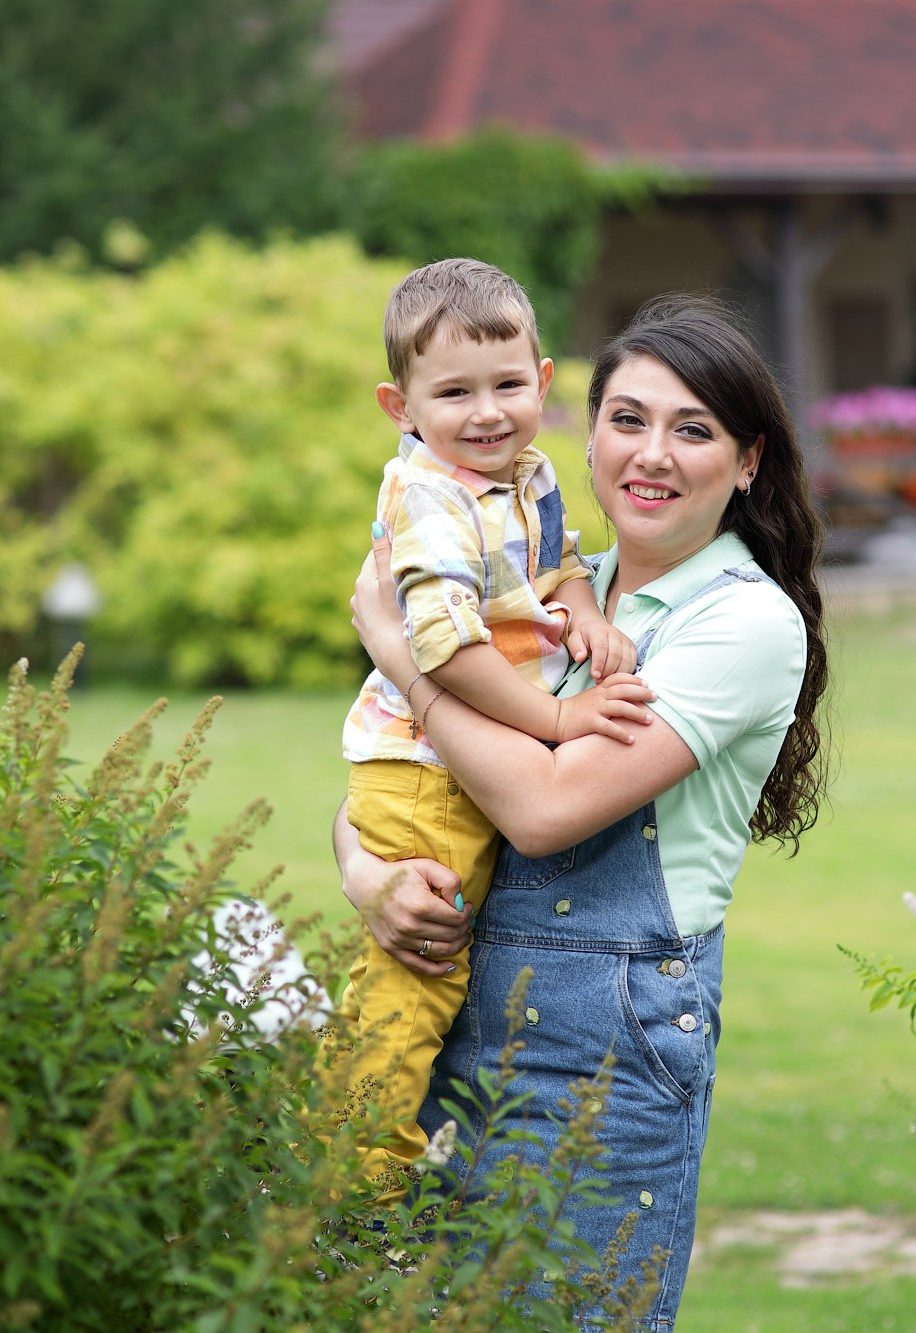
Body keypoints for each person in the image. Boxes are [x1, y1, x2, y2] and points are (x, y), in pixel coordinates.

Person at [338, 295, 830, 1327]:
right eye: (628, 419)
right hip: (452, 1015)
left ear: (747, 462)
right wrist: (369, 877)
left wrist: (404, 657)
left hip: (600, 1051)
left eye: (692, 429)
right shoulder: (544, 586)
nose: (651, 454)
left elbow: (542, 810)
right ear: (585, 427)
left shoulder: (741, 621)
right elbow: (397, 778)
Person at [330, 258, 641, 1185]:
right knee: (415, 971)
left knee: (439, 967)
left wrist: (583, 606)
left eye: (508, 385)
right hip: (426, 764)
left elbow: (555, 561)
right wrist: (558, 717)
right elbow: (443, 648)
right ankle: (356, 1164)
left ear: (543, 383)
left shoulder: (523, 472)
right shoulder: (432, 498)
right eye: (453, 392)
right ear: (401, 406)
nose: (487, 412)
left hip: (454, 751)